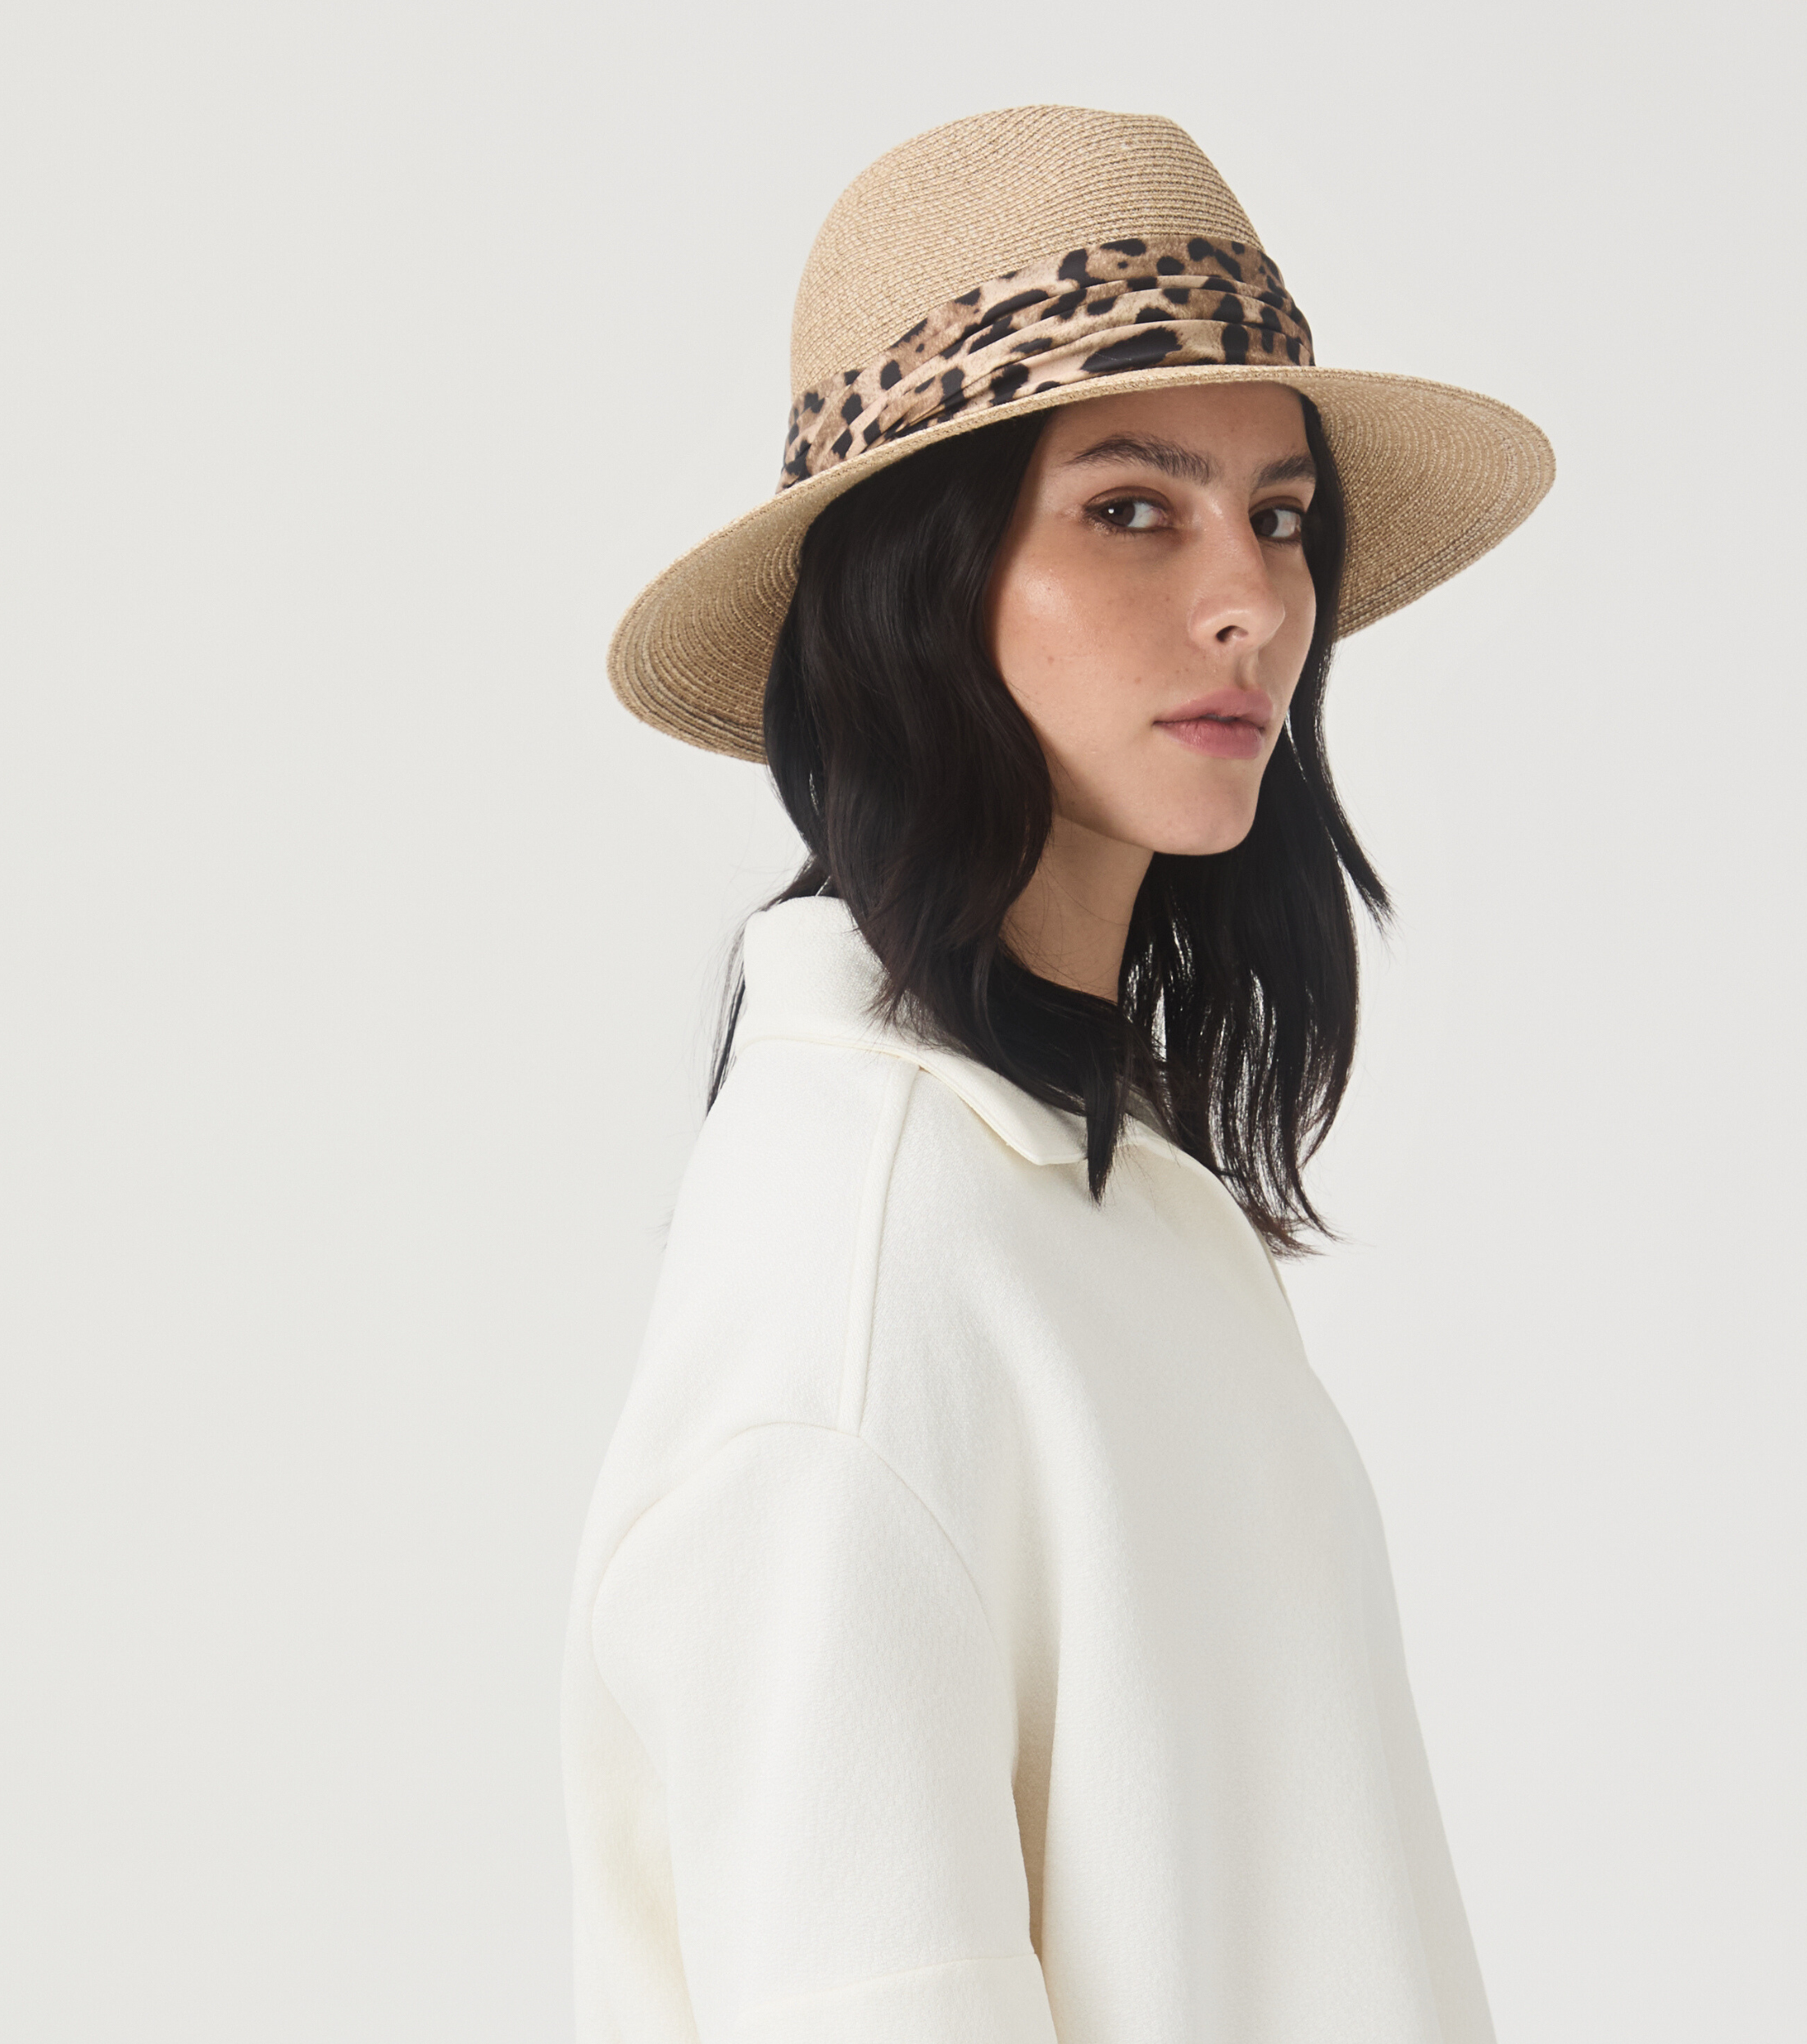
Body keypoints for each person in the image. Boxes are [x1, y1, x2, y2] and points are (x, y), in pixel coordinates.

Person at [563, 104, 1552, 2044]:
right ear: (917, 586)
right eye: (1130, 510)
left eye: (1279, 514)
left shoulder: (1092, 1191)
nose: (1250, 597)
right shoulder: (862, 1280)